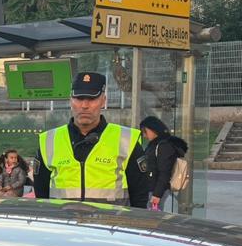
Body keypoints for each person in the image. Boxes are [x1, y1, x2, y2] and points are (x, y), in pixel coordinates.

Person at [33, 72, 148, 208]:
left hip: (110, 226)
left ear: (103, 100)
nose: (84, 105)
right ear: (71, 100)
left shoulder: (126, 139)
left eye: (92, 99)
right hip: (65, 225)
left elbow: (139, 197)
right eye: (79, 98)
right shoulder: (48, 140)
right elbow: (41, 195)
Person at [139, 115, 189, 211]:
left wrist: (157, 195)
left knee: (154, 219)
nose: (144, 135)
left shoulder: (164, 146)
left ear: (153, 129)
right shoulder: (154, 144)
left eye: (144, 131)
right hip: (152, 188)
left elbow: (165, 172)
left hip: (157, 190)